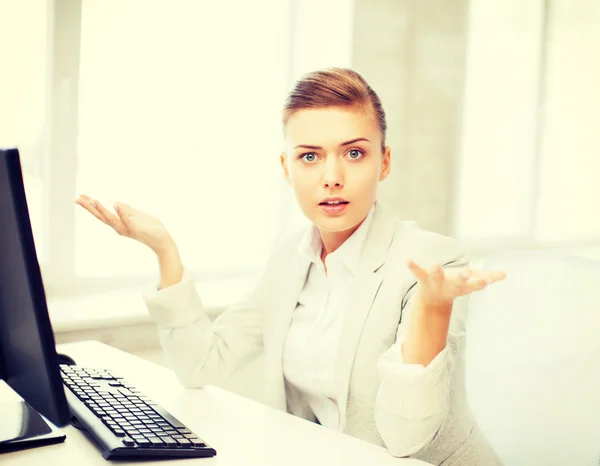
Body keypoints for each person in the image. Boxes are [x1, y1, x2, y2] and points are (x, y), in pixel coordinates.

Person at [75, 68, 506, 465]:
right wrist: (165, 251)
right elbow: (202, 363)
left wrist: (431, 307)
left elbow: (406, 437)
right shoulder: (289, 254)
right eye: (310, 156)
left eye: (354, 154)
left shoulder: (431, 264)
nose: (332, 177)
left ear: (384, 161)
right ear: (287, 167)